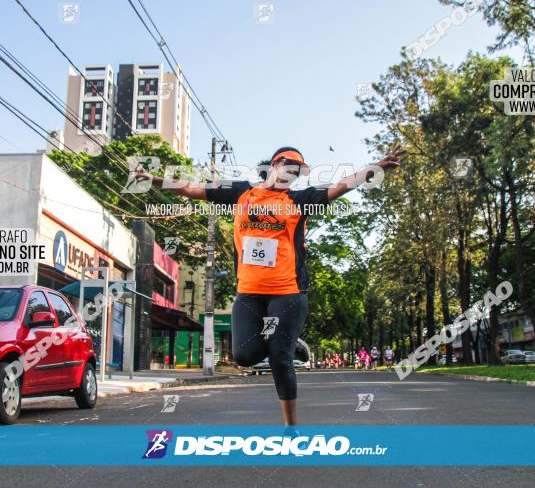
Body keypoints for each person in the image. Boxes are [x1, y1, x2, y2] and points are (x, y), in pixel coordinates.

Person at [135, 144, 403, 432]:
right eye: (289, 167)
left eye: (298, 171)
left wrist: (376, 168)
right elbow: (191, 189)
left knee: (279, 357)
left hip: (288, 291)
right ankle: (289, 342)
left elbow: (340, 186)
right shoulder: (240, 193)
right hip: (249, 291)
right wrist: (154, 180)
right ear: (274, 165)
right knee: (244, 356)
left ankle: (291, 426)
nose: (293, 174)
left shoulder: (300, 200)